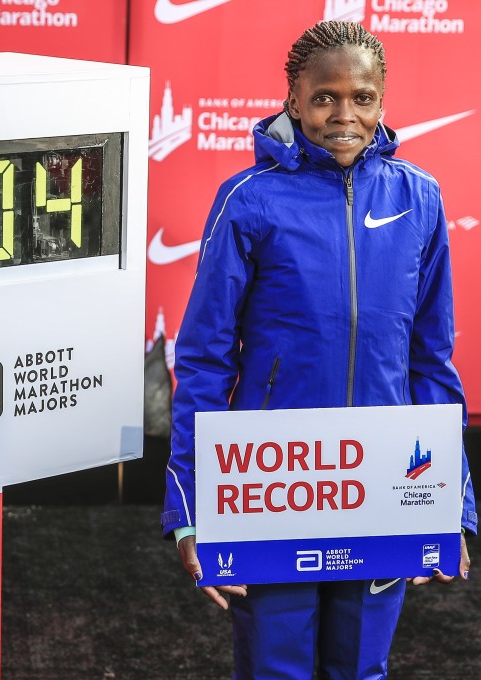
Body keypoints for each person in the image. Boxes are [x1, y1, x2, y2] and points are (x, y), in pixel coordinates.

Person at [161, 20, 476, 679]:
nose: (344, 114)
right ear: (294, 99)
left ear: (382, 102)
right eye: (325, 97)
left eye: (362, 98)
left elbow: (430, 361)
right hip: (272, 484)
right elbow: (204, 360)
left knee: (360, 669)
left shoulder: (418, 197)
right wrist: (192, 509)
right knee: (275, 671)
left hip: (385, 483)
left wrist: (450, 501)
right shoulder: (249, 201)